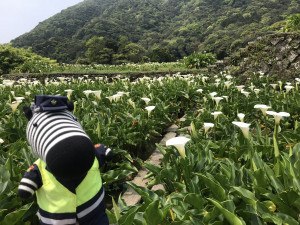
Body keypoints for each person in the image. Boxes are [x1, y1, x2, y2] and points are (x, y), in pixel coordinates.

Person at [18, 95, 112, 225]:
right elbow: (27, 185)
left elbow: (101, 152)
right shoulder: (38, 170)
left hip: (94, 216)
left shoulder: (92, 154)